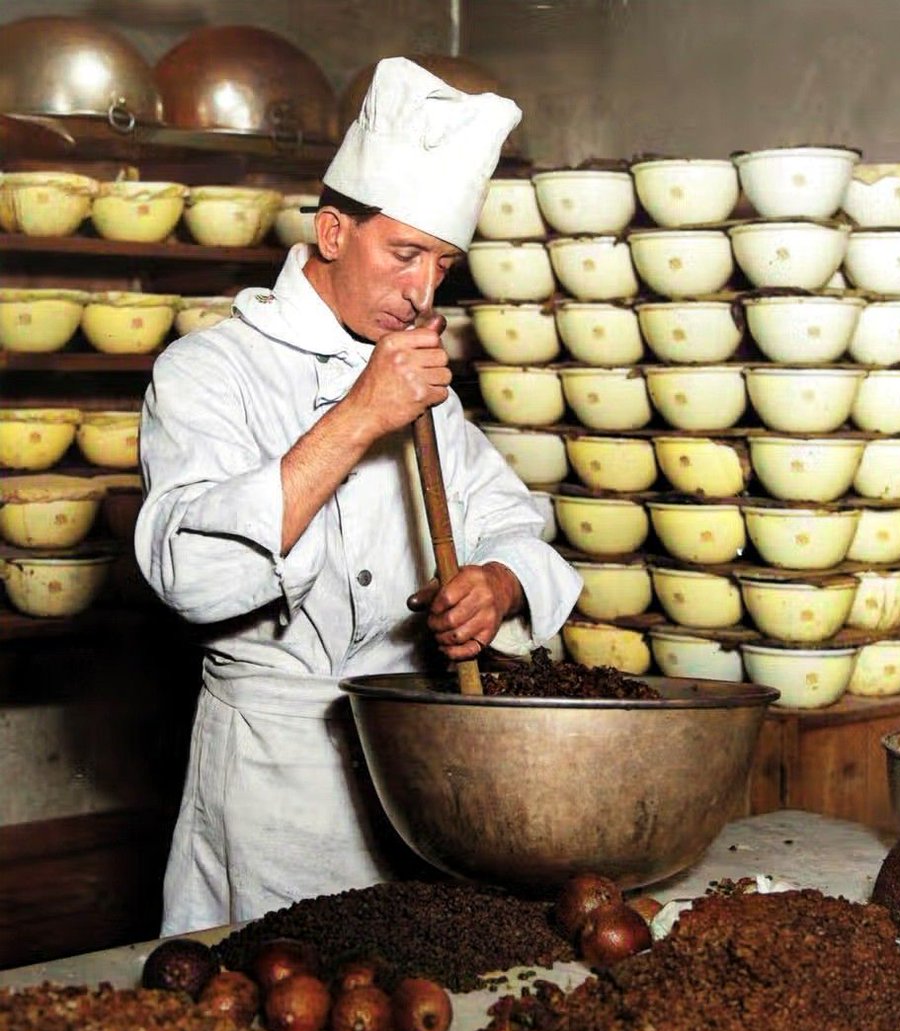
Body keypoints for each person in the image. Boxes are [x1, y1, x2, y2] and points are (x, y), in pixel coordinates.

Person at [135, 57, 582, 935]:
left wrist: (496, 583)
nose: (421, 292)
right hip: (273, 777)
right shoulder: (208, 371)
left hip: (411, 775)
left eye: (442, 264)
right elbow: (191, 574)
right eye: (404, 254)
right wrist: (359, 414)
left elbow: (514, 523)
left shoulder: (419, 382)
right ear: (334, 232)